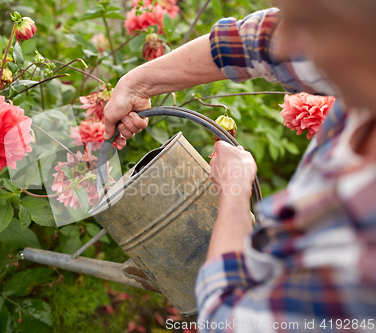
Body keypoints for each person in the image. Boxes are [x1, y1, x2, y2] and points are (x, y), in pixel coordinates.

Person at [103, 0, 376, 331]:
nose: (284, 41)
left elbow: (227, 323)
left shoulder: (363, 226)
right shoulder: (358, 56)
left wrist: (233, 193)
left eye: (308, 24)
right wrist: (138, 82)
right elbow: (257, 42)